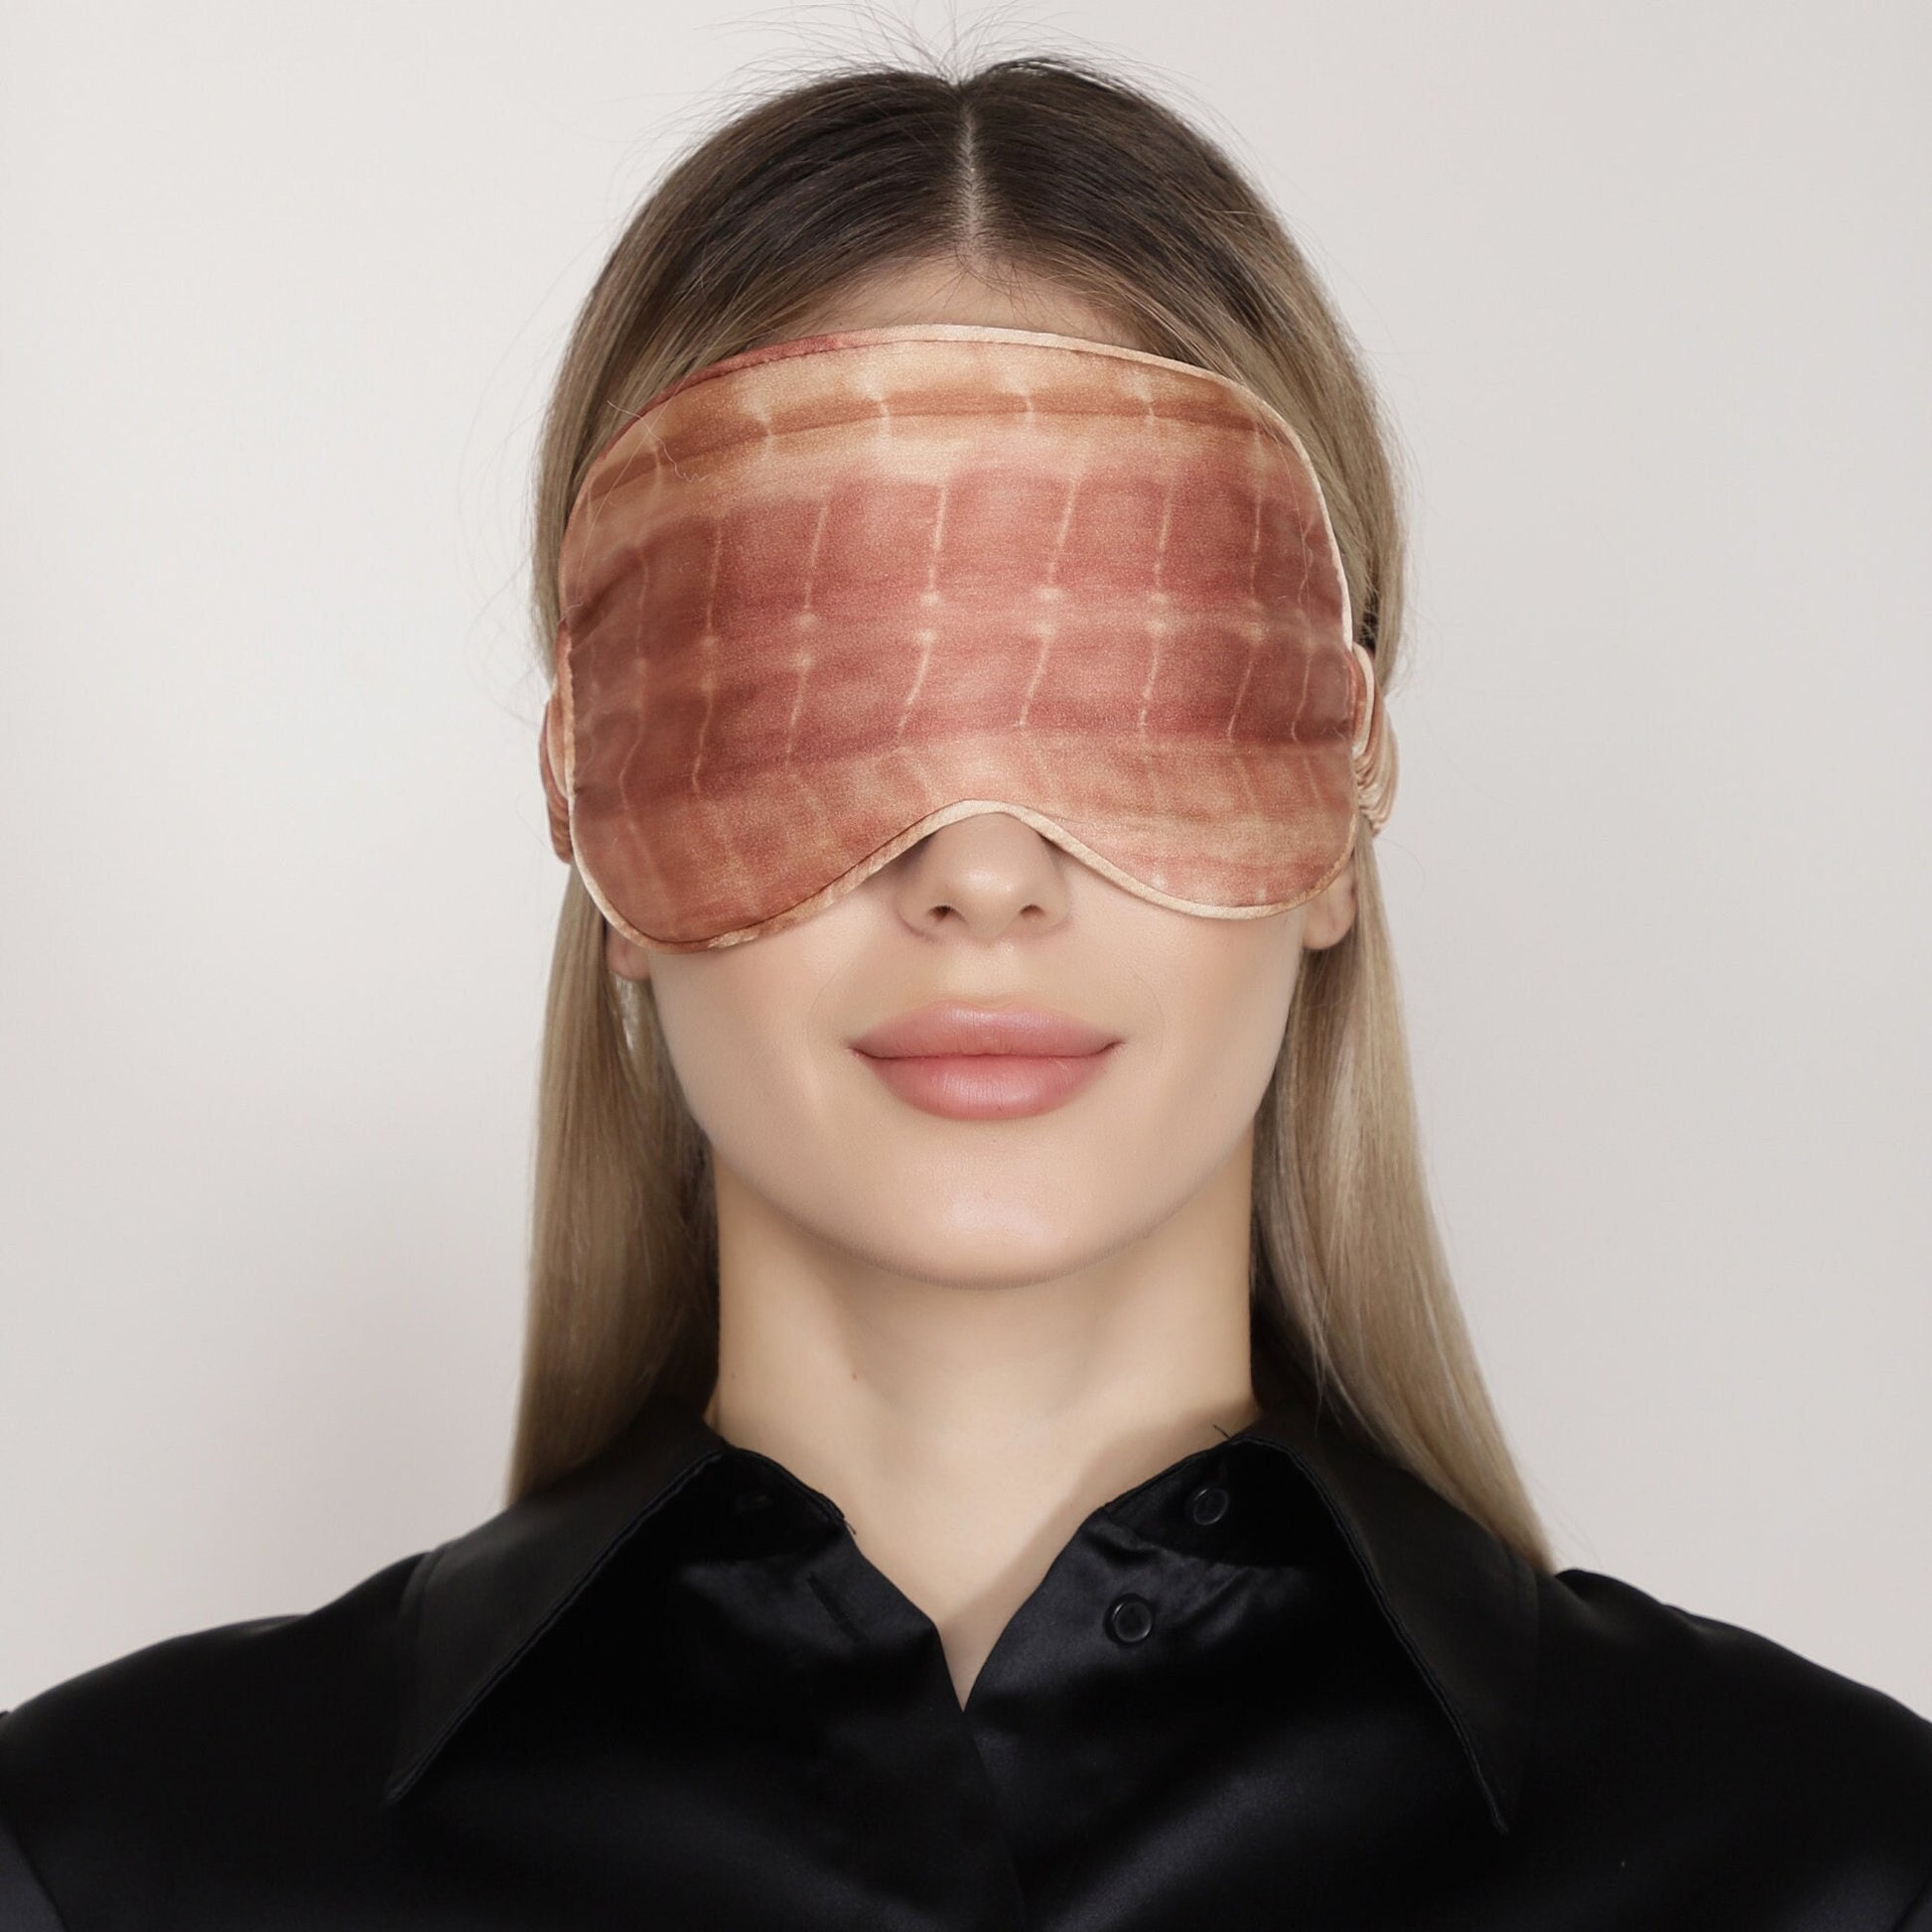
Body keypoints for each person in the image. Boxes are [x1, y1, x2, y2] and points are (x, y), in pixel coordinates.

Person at [2, 51, 1928, 1932]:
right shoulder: (110, 1864)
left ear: (1345, 793)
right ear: (591, 799)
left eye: (1127, 691)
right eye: (819, 693)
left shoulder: (1833, 1866)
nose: (981, 873)